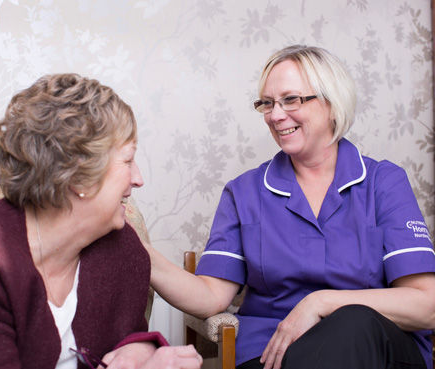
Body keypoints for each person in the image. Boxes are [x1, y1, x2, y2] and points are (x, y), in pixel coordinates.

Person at [145, 45, 435, 369]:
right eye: (267, 103)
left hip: (376, 354)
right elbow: (211, 295)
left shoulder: (384, 182)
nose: (275, 115)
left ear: (332, 103)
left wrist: (321, 303)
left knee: (354, 322)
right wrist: (143, 254)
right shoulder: (244, 193)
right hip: (271, 356)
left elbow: (427, 305)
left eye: (291, 99)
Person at [0, 73, 202, 369]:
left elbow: (126, 335)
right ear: (78, 176)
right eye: (127, 161)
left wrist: (139, 348)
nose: (138, 180)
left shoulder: (123, 249)